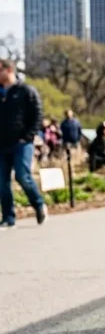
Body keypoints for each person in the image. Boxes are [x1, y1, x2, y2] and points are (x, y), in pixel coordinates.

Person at [0, 58, 47, 229]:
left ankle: (39, 204)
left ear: (9, 70)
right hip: (2, 144)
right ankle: (8, 217)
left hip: (22, 143)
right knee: (2, 182)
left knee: (22, 175)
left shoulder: (26, 91)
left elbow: (38, 114)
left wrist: (28, 136)